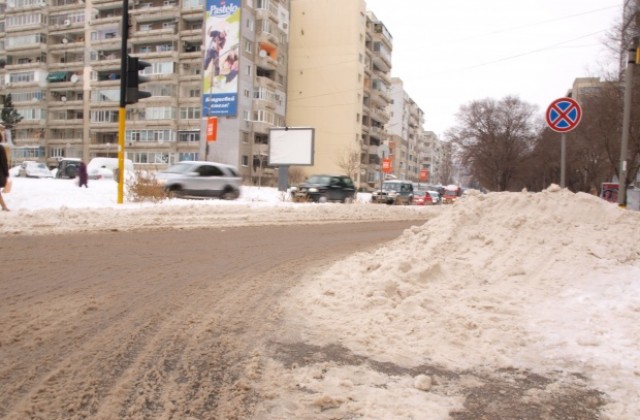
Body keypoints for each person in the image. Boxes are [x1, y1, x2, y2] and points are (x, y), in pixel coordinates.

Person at [0, 133, 10, 211]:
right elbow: (4, 162)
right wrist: (6, 174)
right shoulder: (1, 148)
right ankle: (4, 206)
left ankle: (4, 206)